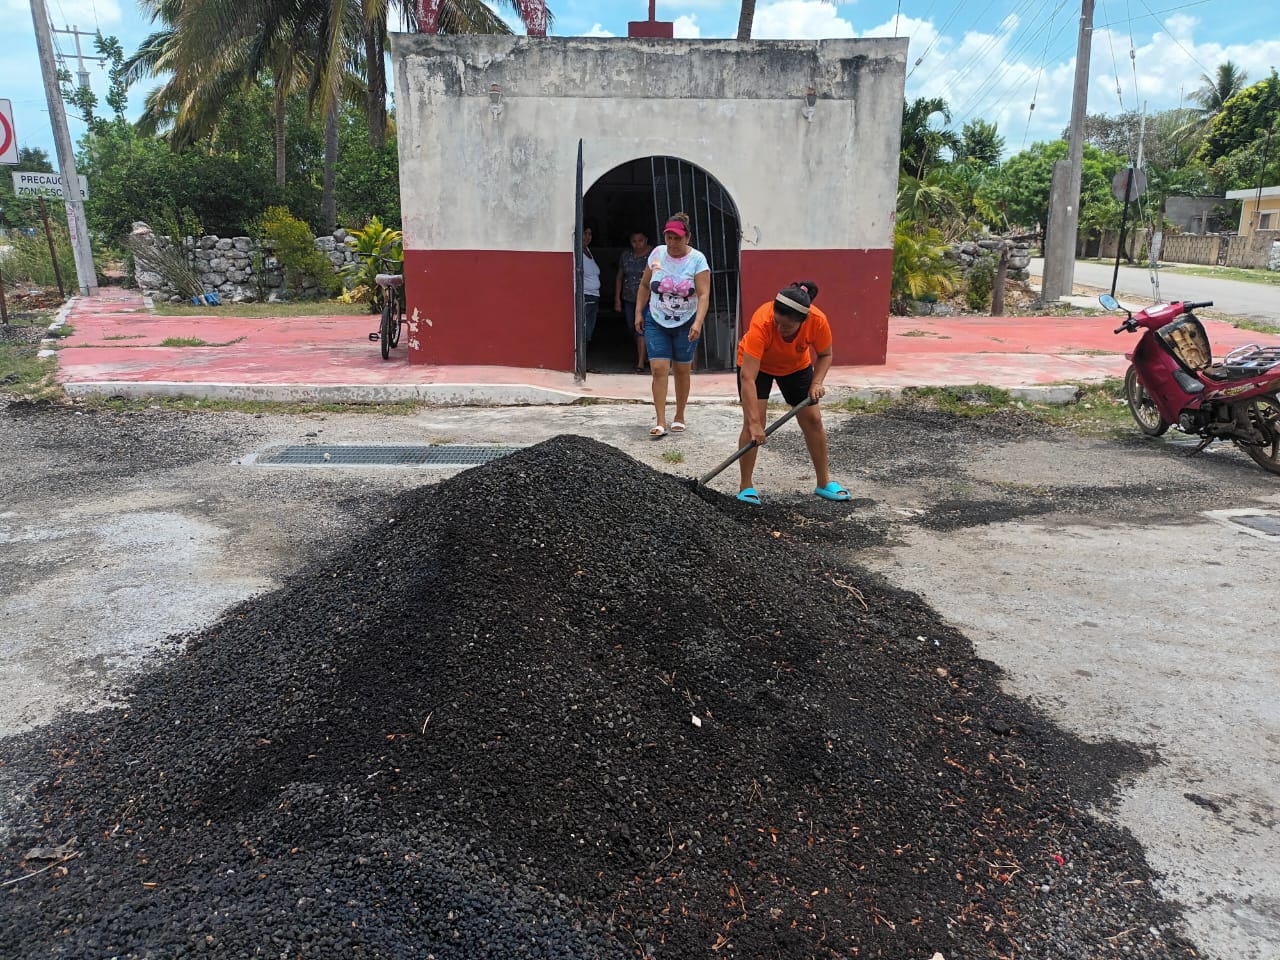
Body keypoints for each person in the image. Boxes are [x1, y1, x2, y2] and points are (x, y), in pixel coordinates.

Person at [734, 281, 851, 504]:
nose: (779, 329)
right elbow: (748, 377)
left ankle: (823, 482)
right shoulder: (762, 321)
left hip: (795, 366)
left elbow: (825, 354)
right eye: (777, 323)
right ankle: (746, 486)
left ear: (801, 322)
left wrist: (817, 382)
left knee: (814, 420)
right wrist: (755, 423)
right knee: (753, 422)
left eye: (786, 327)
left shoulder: (817, 321)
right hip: (757, 367)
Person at [634, 213, 710, 438]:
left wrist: (698, 322)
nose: (673, 243)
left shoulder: (697, 260)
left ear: (688, 237)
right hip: (656, 318)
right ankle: (660, 420)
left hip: (686, 321)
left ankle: (680, 415)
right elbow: (645, 285)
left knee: (682, 369)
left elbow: (704, 295)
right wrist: (639, 312)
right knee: (658, 369)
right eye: (669, 238)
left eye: (677, 238)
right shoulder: (656, 254)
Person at [614, 230, 652, 372]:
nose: (637, 244)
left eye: (640, 241)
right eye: (634, 241)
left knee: (641, 328)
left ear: (646, 240)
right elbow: (620, 277)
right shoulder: (626, 256)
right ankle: (646, 354)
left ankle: (640, 363)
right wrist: (617, 299)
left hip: (648, 299)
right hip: (629, 298)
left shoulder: (653, 255)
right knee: (632, 327)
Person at [580, 224, 601, 345]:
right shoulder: (578, 252)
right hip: (585, 296)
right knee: (584, 330)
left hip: (594, 296)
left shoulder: (587, 250)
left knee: (589, 330)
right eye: (585, 233)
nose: (587, 237)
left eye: (590, 234)